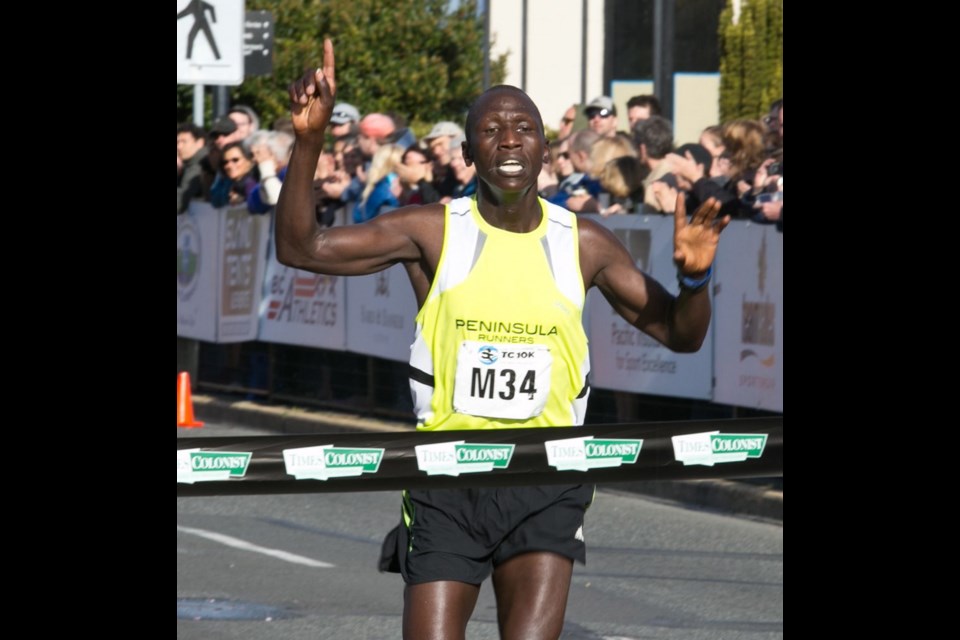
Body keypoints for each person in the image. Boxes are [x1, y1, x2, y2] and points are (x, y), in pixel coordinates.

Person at [276, 40, 728, 640]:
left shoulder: (584, 242)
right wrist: (309, 144)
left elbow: (679, 334)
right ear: (467, 154)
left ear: (545, 148)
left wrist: (694, 279)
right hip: (445, 479)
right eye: (491, 130)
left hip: (546, 476)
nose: (510, 140)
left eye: (524, 129)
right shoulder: (432, 231)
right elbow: (301, 248)